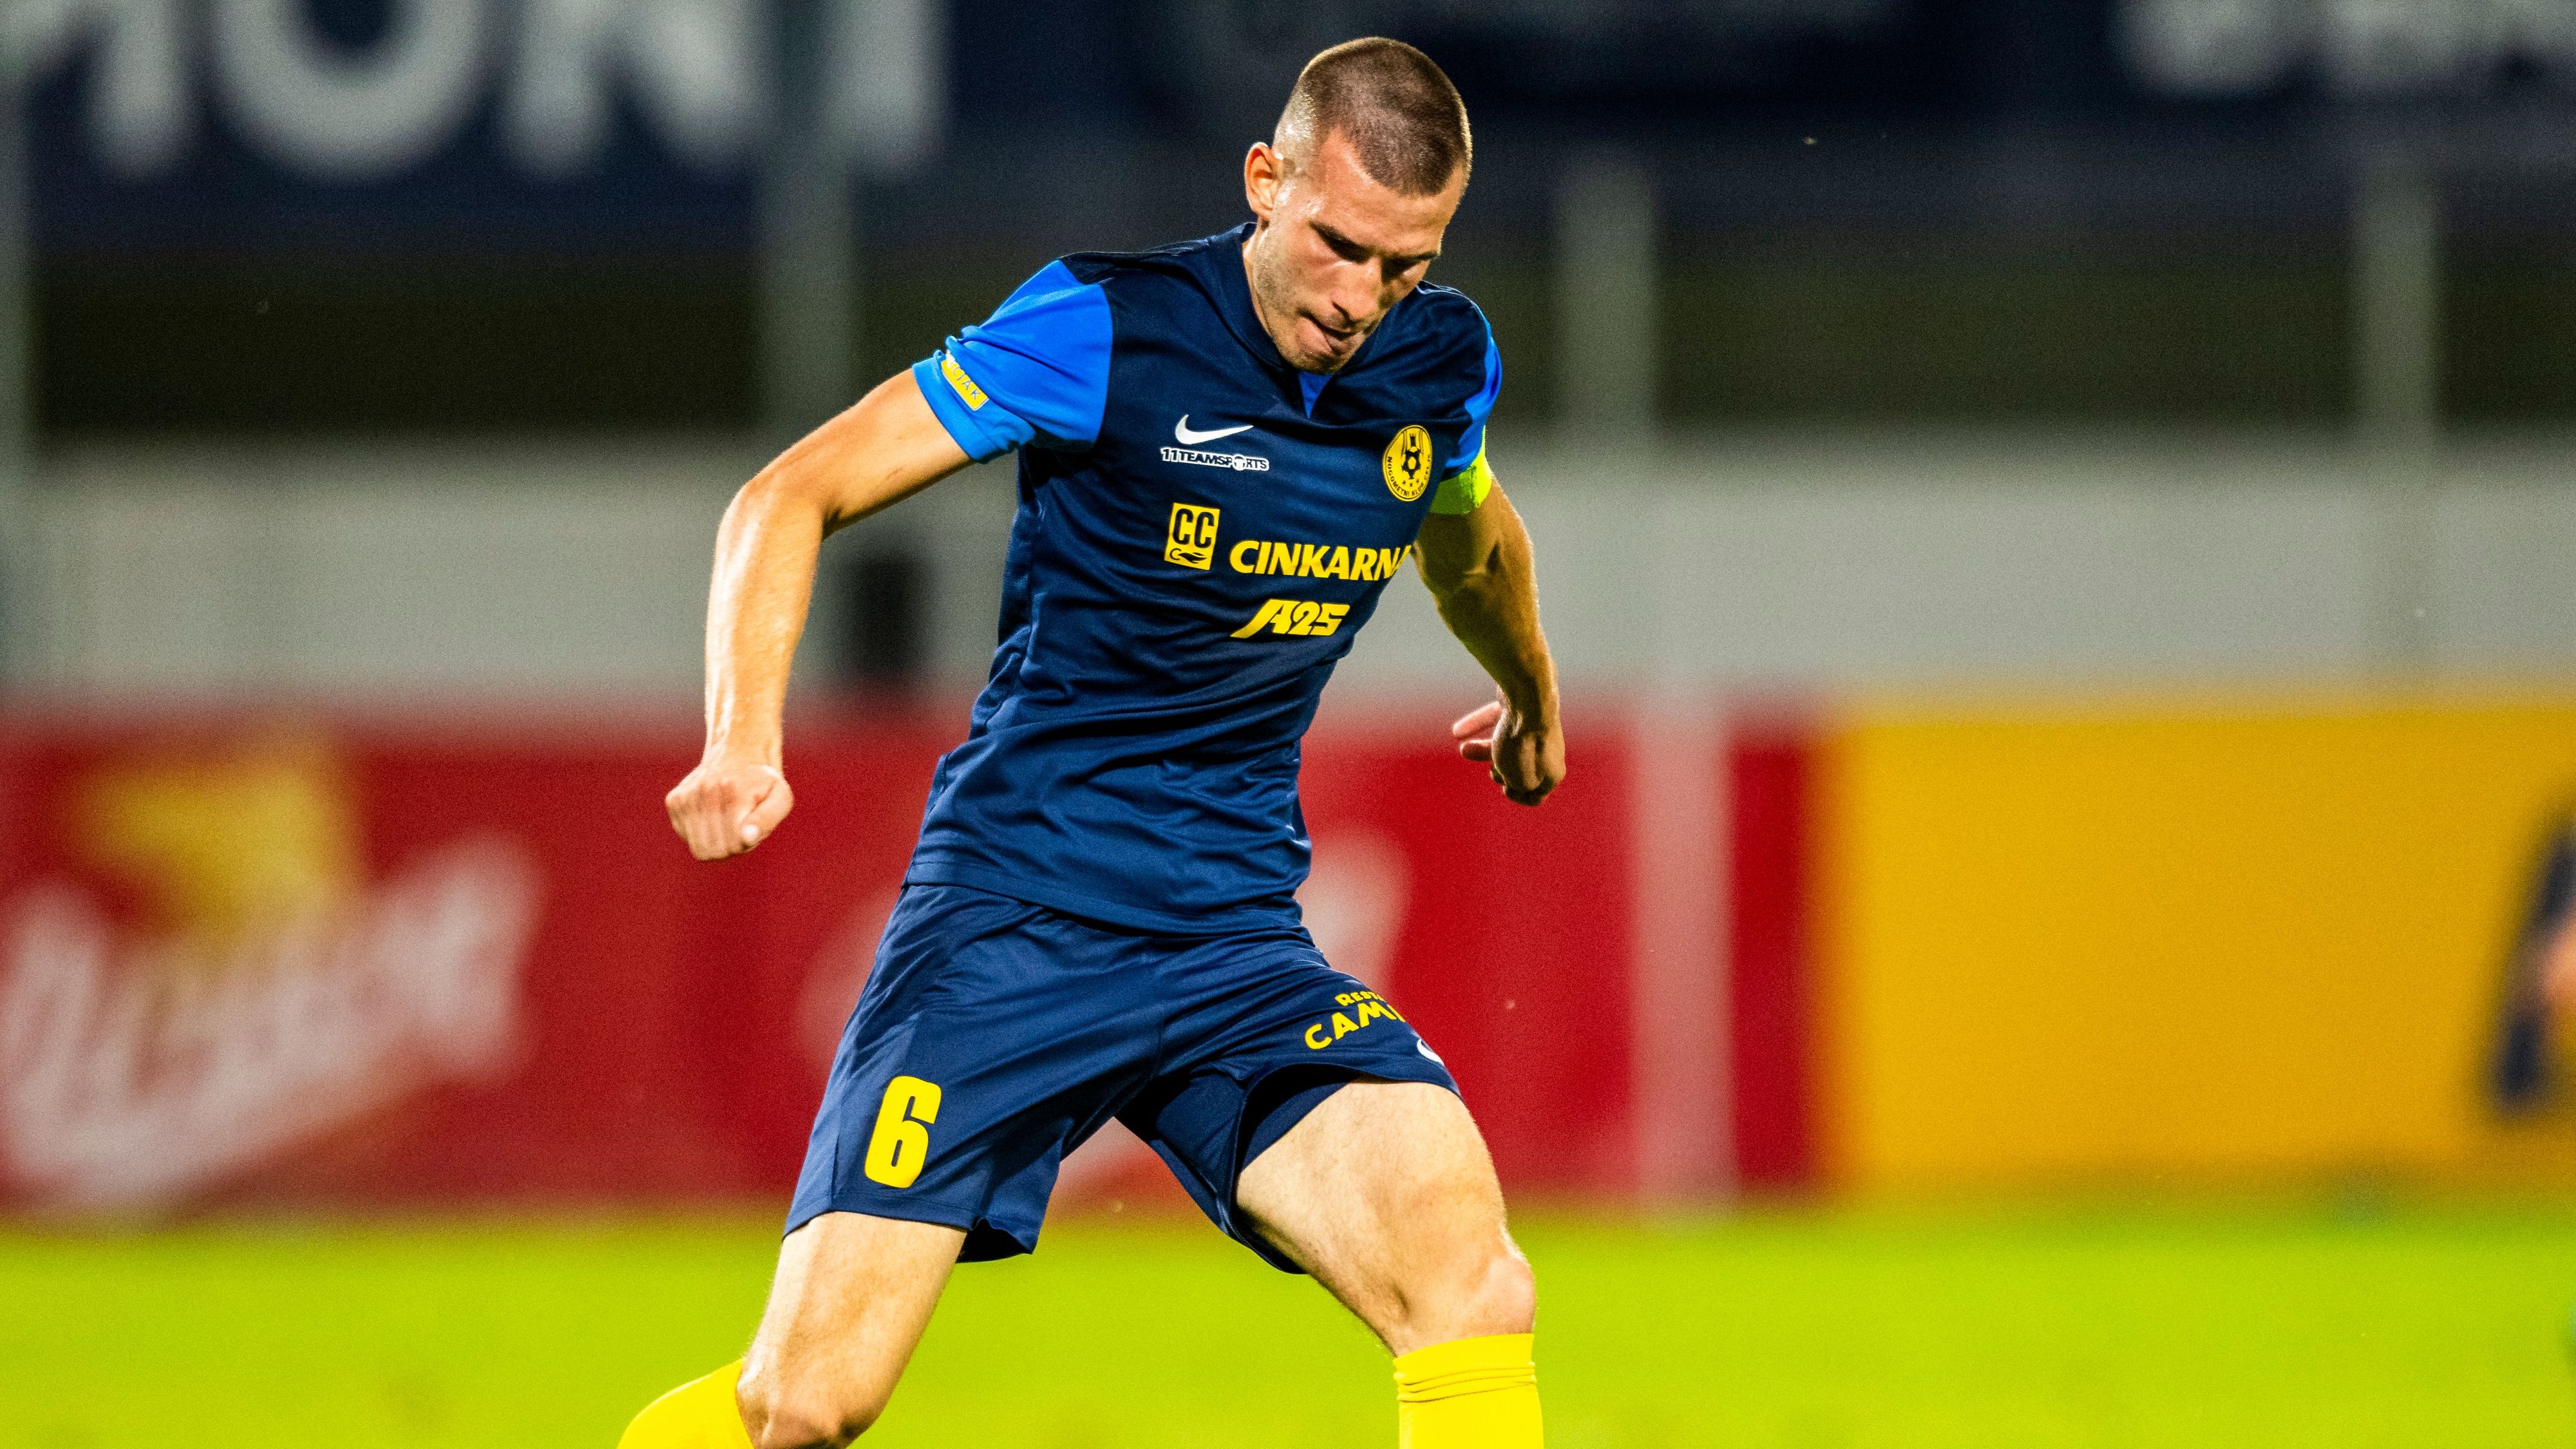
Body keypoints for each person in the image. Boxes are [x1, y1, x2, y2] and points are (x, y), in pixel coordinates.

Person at [626, 36, 1562, 1449]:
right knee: (809, 1405)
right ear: (1265, 181)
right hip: (1015, 919)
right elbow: (788, 494)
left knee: (1468, 1278)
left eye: (1404, 267)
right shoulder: (1104, 329)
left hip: (1232, 945)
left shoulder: (1438, 364)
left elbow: (1470, 539)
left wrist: (1532, 690)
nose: (1363, 300)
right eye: (1339, 247)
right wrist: (743, 738)